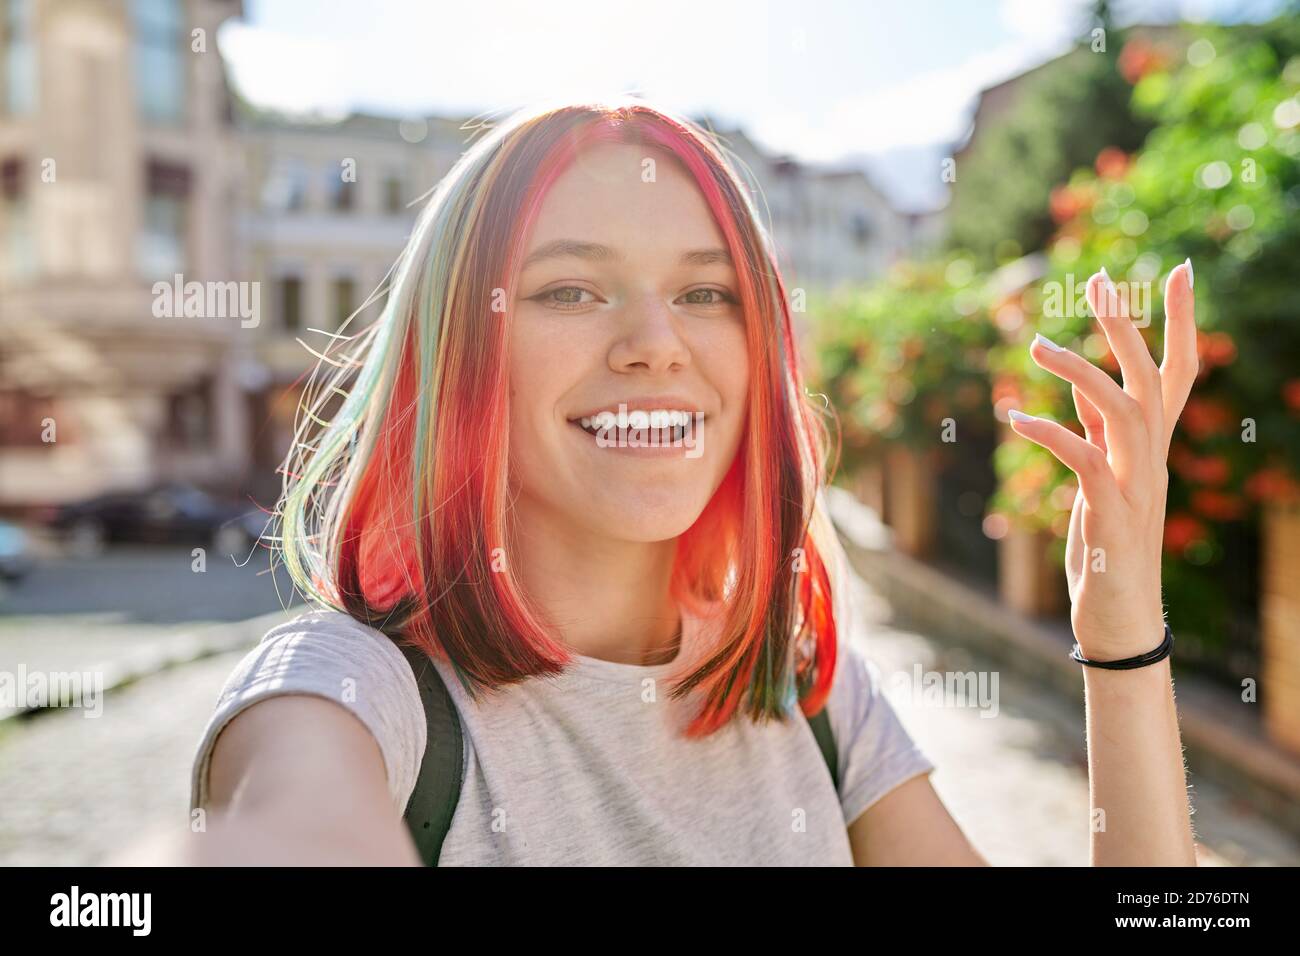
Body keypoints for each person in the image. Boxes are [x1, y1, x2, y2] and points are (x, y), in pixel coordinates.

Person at [185, 96, 1197, 866]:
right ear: (458, 355)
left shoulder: (803, 685)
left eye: (705, 291)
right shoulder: (347, 698)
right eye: (570, 288)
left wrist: (1119, 641)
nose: (656, 343)